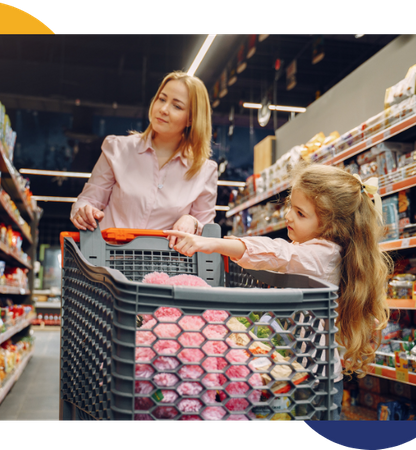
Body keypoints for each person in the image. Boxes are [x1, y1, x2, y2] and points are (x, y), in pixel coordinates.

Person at [165, 161, 393, 420]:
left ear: (331, 226)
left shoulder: (324, 255)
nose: (288, 217)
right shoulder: (323, 249)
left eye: (300, 213)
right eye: (290, 208)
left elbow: (279, 253)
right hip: (304, 373)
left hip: (315, 384)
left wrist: (213, 244)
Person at [70, 70, 218, 249]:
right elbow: (87, 201)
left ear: (191, 119)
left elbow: (207, 234)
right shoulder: (118, 149)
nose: (163, 109)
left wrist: (192, 222)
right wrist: (83, 211)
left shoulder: (204, 170)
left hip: (164, 270)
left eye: (176, 106)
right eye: (161, 99)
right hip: (108, 263)